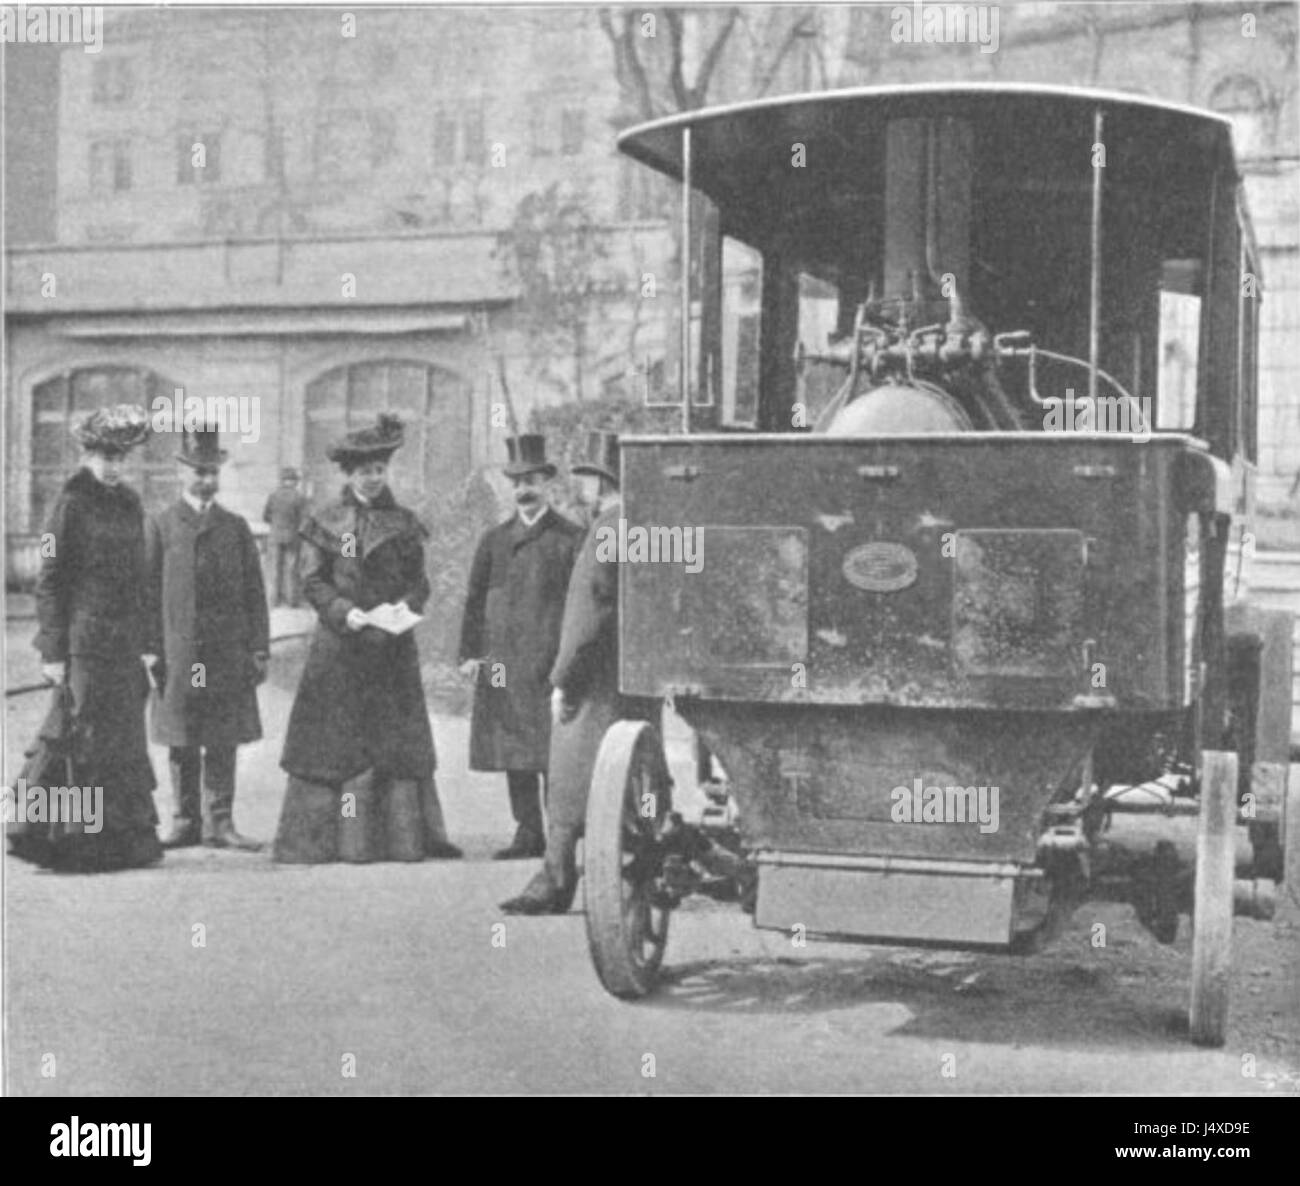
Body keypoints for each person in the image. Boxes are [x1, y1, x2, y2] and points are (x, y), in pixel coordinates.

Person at [272, 413, 461, 863]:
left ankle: (398, 841)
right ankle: (327, 842)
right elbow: (312, 581)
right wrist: (346, 613)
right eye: (364, 471)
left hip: (391, 650)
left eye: (379, 470)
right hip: (340, 649)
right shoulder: (324, 521)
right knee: (333, 744)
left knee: (394, 745)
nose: (374, 478)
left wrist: (405, 610)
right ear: (349, 474)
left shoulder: (404, 523)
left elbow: (420, 582)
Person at [501, 431, 657, 913]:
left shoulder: (608, 528)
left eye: (585, 479)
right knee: (632, 784)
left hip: (593, 681)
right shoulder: (644, 527)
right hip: (632, 677)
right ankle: (628, 867)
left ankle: (555, 878)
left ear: (600, 482)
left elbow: (591, 611)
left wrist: (563, 677)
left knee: (571, 783)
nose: (581, 489)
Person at [18, 404, 162, 871]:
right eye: (108, 457)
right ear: (88, 455)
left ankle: (122, 843)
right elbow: (50, 579)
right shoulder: (69, 504)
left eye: (123, 458)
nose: (116, 467)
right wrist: (54, 650)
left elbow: (140, 577)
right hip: (84, 641)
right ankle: (72, 844)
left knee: (122, 739)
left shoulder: (130, 502)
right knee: (82, 738)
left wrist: (146, 642)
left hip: (123, 643)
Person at [459, 434, 584, 859]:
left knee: (554, 750)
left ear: (547, 483)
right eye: (516, 482)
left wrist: (573, 663)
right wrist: (470, 654)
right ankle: (528, 831)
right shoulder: (494, 540)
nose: (524, 489)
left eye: (532, 480)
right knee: (514, 748)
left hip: (551, 661)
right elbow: (475, 600)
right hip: (503, 662)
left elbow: (582, 605)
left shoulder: (571, 538)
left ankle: (560, 834)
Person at [146, 425, 268, 851]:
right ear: (182, 473)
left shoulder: (235, 528)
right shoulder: (160, 525)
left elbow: (255, 594)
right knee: (181, 737)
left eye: (213, 472)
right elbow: (144, 592)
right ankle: (184, 821)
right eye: (199, 472)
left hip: (225, 653)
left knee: (221, 736)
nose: (206, 480)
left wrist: (258, 648)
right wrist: (148, 649)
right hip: (177, 653)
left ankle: (221, 822)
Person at [263, 467, 308, 607]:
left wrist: (276, 524)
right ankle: (292, 601)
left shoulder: (273, 495)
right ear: (294, 481)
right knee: (291, 569)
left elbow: (265, 516)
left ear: (283, 480)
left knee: (274, 569)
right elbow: (304, 519)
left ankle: (273, 600)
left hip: (275, 536)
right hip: (292, 536)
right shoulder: (299, 497)